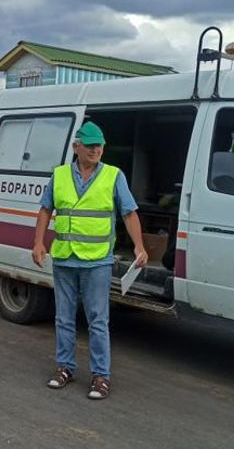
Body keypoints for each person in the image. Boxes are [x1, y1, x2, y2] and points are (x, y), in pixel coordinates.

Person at [31, 121, 148, 401]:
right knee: (63, 318)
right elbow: (46, 209)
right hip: (65, 258)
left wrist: (139, 247)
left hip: (97, 261)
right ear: (76, 147)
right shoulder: (59, 176)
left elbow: (129, 213)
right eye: (91, 145)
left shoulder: (113, 176)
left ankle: (100, 376)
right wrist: (38, 243)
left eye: (100, 145)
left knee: (97, 320)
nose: (97, 149)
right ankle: (65, 368)